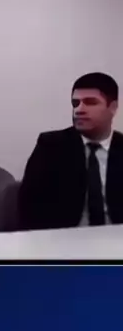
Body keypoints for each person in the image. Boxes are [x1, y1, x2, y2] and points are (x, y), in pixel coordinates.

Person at [19, 73, 123, 230]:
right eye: (75, 103)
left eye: (90, 102)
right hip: (65, 237)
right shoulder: (51, 146)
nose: (79, 110)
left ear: (113, 108)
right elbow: (29, 207)